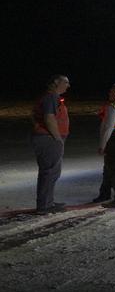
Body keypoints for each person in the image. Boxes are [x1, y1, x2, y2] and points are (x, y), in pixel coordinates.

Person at [31, 75, 71, 214]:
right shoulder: (51, 97)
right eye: (65, 82)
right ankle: (44, 206)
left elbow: (35, 116)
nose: (68, 85)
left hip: (47, 138)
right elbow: (49, 118)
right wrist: (57, 137)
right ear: (56, 83)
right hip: (49, 139)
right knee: (49, 172)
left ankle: (48, 202)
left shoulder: (50, 97)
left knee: (52, 172)